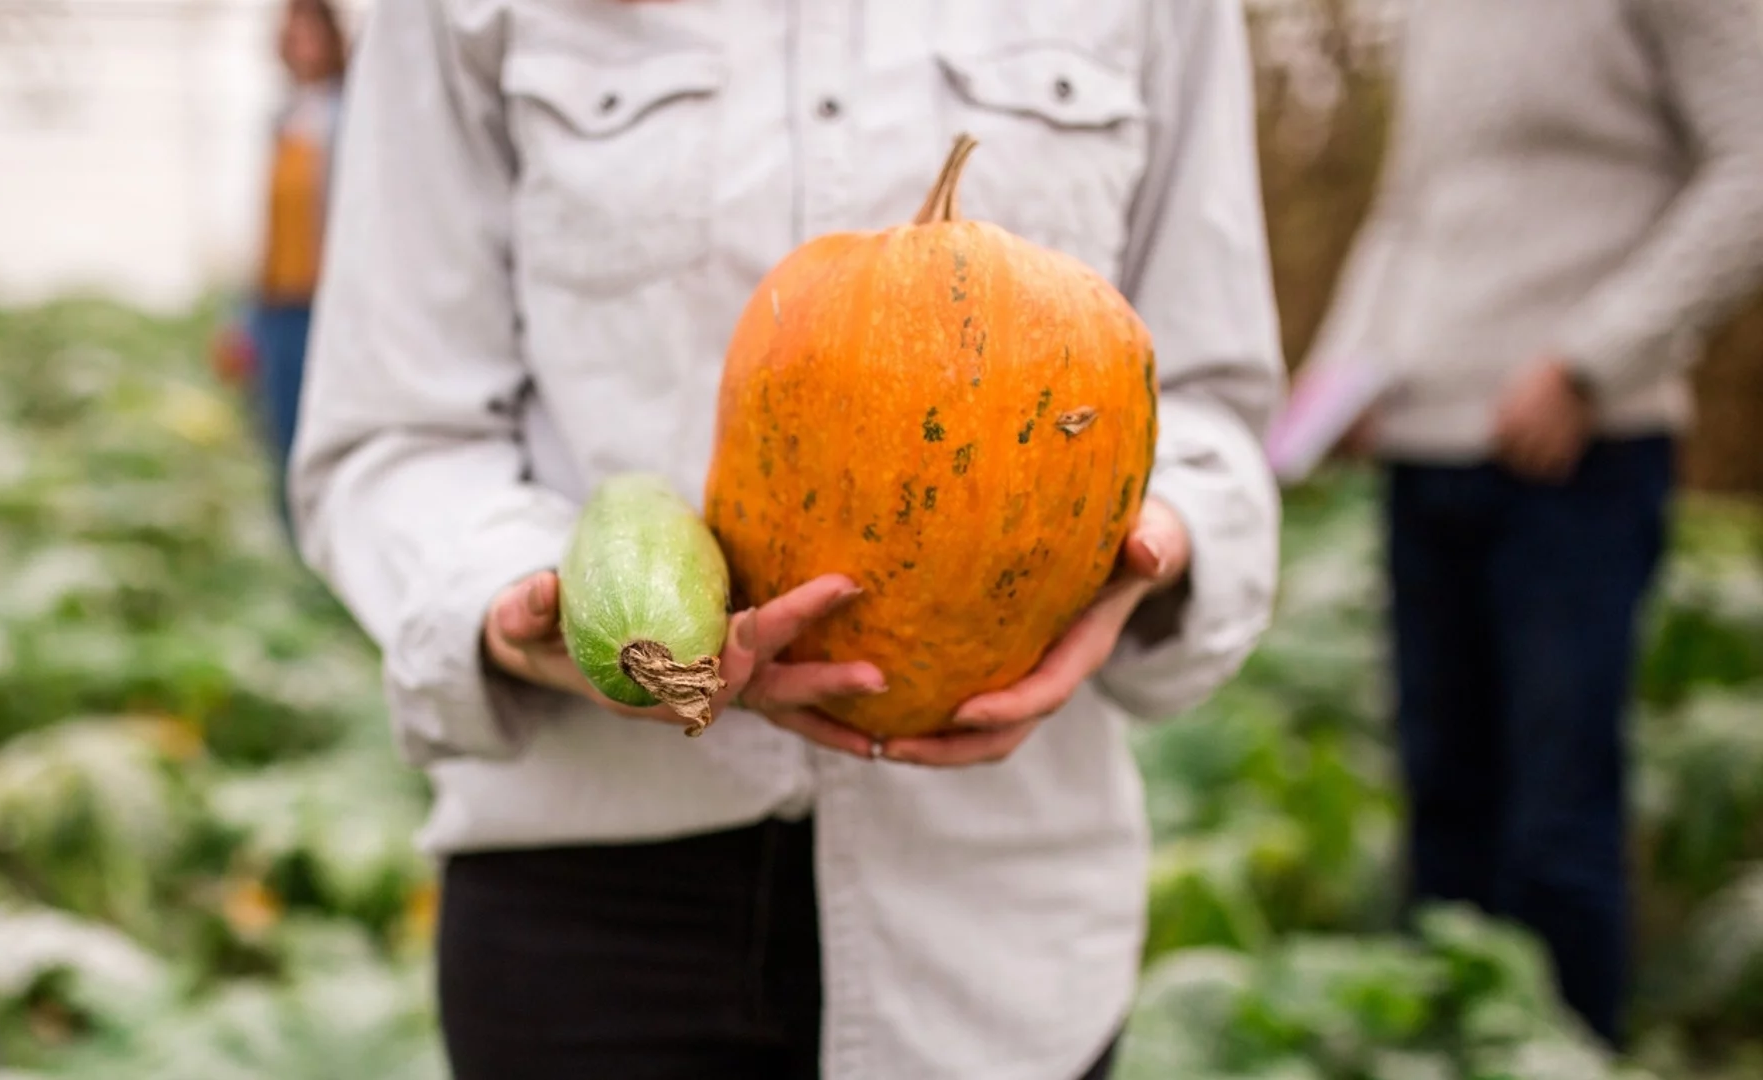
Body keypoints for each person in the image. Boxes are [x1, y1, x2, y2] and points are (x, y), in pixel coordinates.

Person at [289, 0, 1284, 1076]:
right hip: (593, 901)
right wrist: (519, 600)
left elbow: (1209, 410)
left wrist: (1151, 549)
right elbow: (394, 434)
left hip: (1000, 920)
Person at [1306, 0, 1763, 1051]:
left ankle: (1561, 1056)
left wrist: (1591, 362)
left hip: (1578, 461)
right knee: (1440, 808)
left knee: (1556, 825)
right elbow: (1408, 208)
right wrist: (1346, 367)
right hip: (1424, 453)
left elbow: (1751, 167)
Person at [242, 0, 347, 527]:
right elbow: (266, 226)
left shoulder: (349, 116)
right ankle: (297, 547)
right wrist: (242, 317)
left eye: (312, 34)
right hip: (278, 306)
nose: (303, 45)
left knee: (328, 435)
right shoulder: (281, 118)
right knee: (279, 433)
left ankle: (333, 548)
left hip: (329, 305)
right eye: (294, 35)